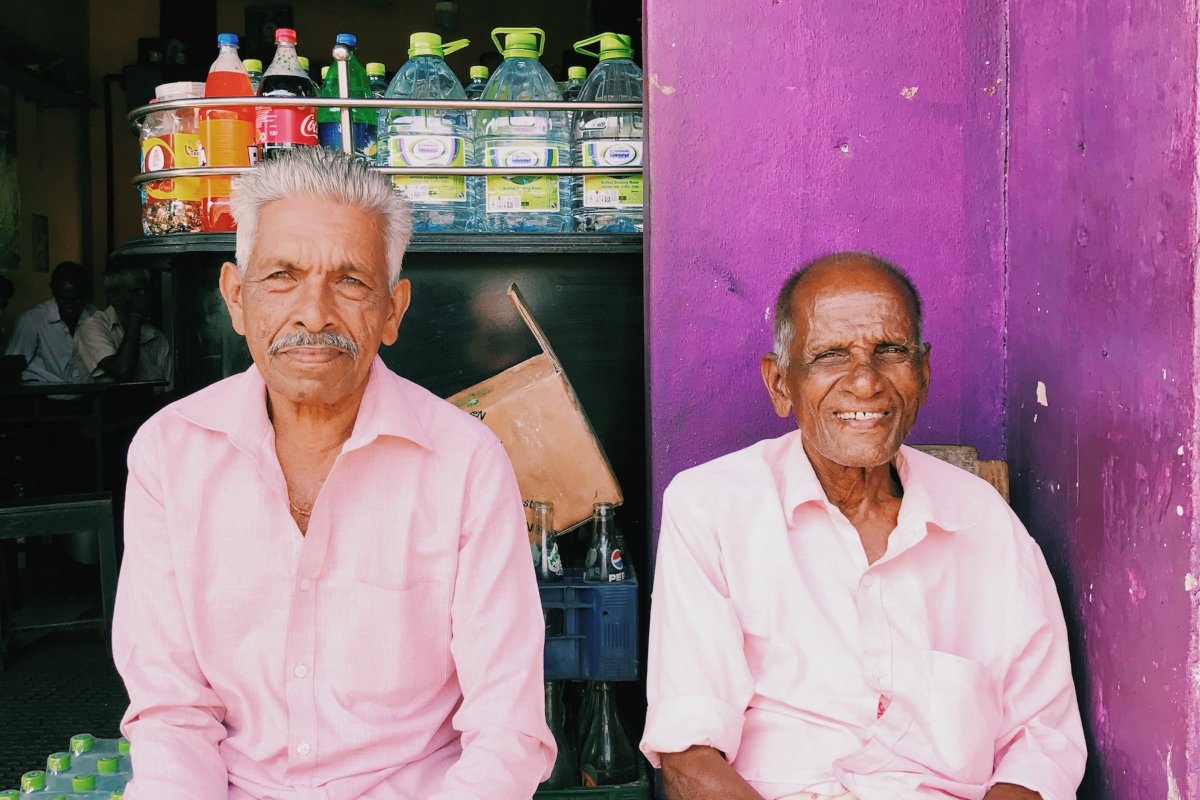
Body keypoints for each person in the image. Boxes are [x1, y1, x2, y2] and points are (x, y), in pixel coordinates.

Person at [111, 147, 555, 800]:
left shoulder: (464, 462)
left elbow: (508, 729)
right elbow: (172, 711)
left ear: (393, 310)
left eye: (349, 281)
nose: (314, 314)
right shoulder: (171, 453)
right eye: (282, 277)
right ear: (236, 298)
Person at [640, 252, 1085, 800]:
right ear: (781, 384)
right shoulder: (712, 507)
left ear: (923, 372)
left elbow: (1041, 744)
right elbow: (689, 753)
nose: (866, 383)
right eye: (830, 356)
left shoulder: (983, 518)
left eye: (890, 352)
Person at [74, 265, 171, 383]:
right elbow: (122, 370)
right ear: (113, 296)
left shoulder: (155, 336)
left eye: (146, 291)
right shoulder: (91, 327)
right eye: (136, 291)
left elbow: (169, 390)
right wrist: (136, 315)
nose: (143, 297)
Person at [4, 261, 96, 382]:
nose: (70, 306)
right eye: (63, 298)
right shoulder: (32, 320)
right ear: (53, 291)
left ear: (84, 294)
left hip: (83, 395)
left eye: (76, 299)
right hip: (42, 397)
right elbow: (11, 366)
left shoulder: (94, 316)